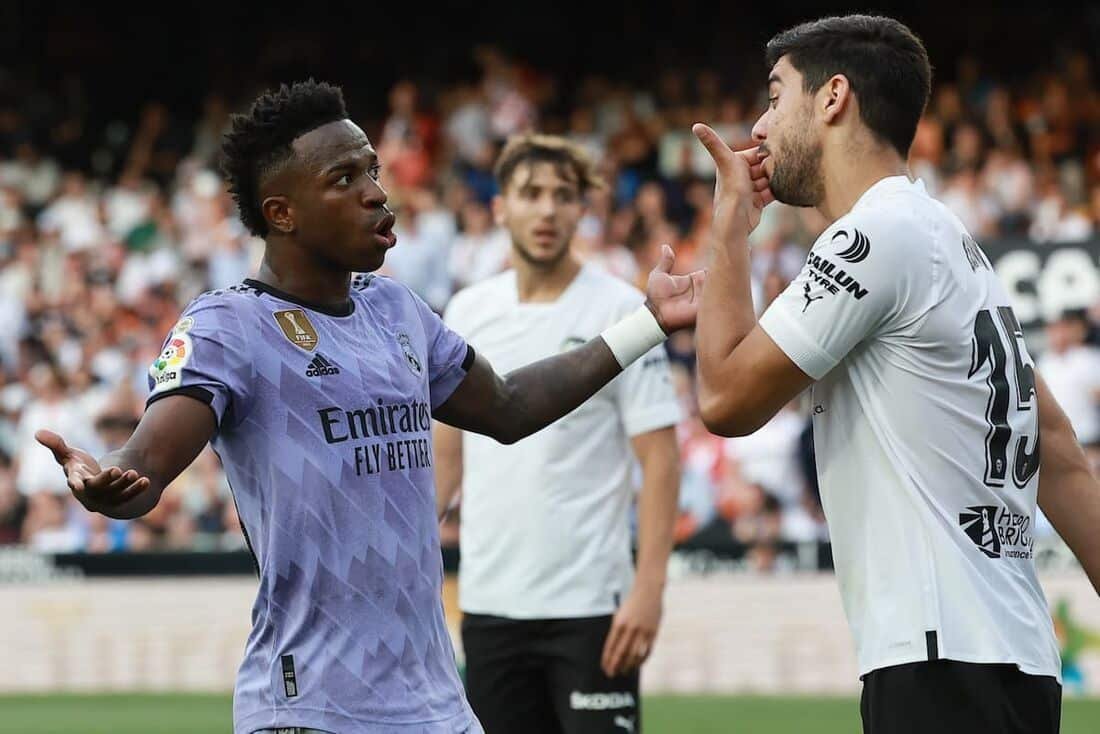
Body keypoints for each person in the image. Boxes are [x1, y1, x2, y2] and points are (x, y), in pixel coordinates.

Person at [33, 81, 705, 734]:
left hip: (436, 703)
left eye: (372, 171)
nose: (376, 193)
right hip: (308, 704)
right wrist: (111, 483)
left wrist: (646, 322)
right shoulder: (228, 327)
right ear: (282, 212)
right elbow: (147, 461)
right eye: (343, 179)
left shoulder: (397, 311)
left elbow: (509, 406)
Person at [690, 14, 1100, 734]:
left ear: (833, 98)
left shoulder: (873, 235)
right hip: (1017, 659)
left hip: (939, 665)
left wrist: (728, 224)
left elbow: (724, 398)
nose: (759, 125)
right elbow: (1059, 451)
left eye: (776, 95)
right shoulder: (949, 241)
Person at [434, 135, 682, 734]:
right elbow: (445, 462)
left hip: (592, 607)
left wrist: (648, 590)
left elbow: (661, 459)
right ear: (500, 209)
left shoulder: (625, 311)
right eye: (531, 194)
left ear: (582, 211)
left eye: (563, 196)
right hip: (489, 607)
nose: (547, 210)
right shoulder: (467, 311)